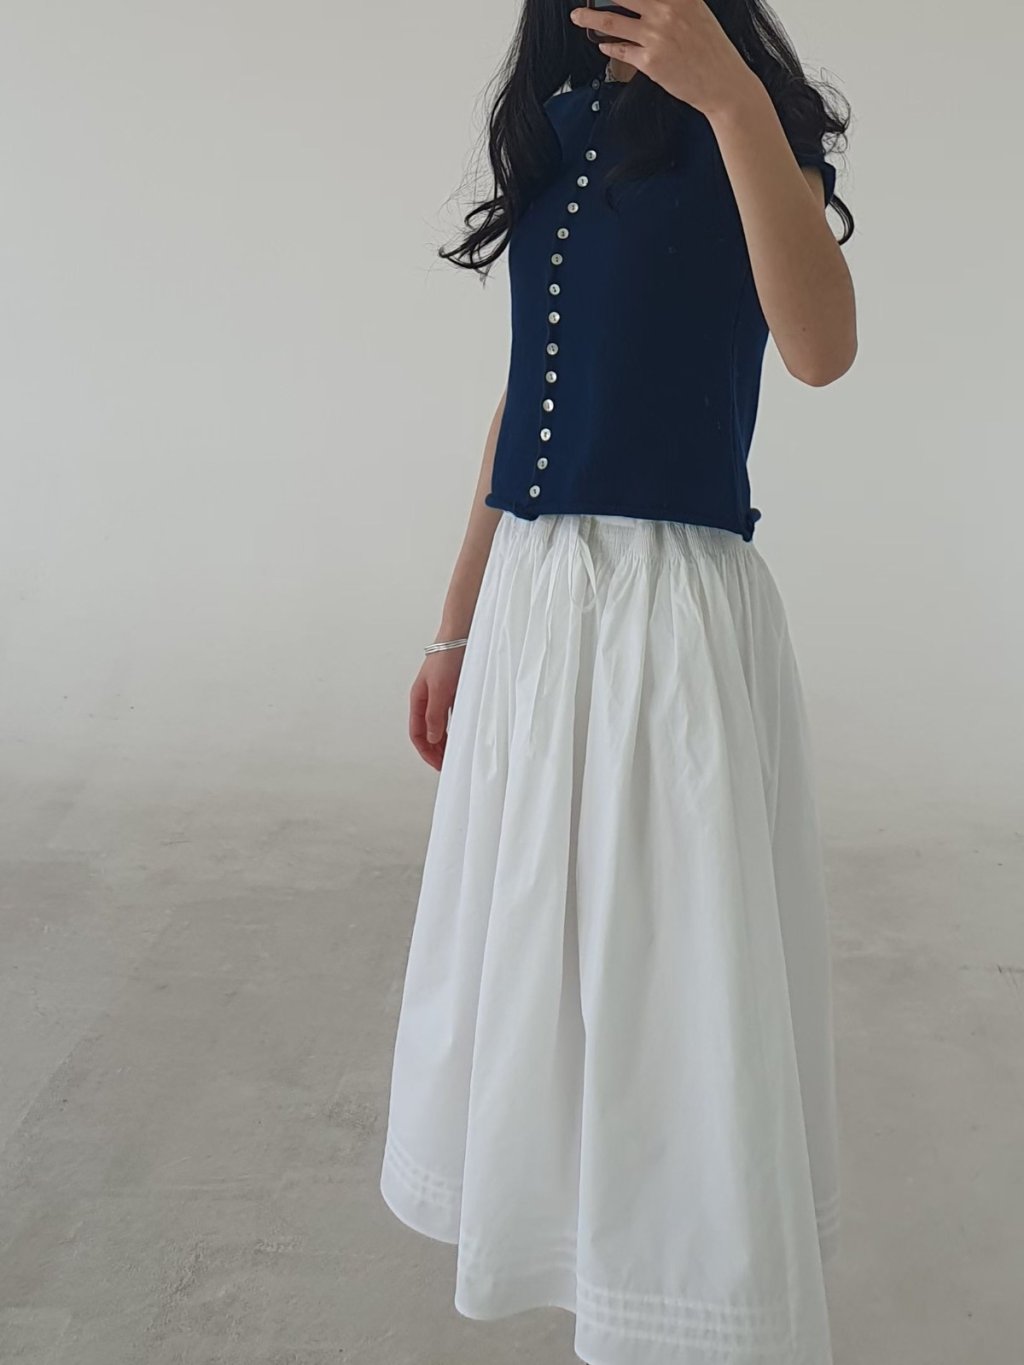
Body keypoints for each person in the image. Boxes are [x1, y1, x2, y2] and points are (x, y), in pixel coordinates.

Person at [380, 2, 857, 1362]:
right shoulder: (557, 126)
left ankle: (682, 1299)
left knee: (668, 970)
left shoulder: (749, 123)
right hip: (541, 603)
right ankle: (581, 1250)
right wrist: (455, 622)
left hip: (670, 613)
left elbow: (821, 348)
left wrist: (733, 100)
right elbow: (527, 391)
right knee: (545, 956)